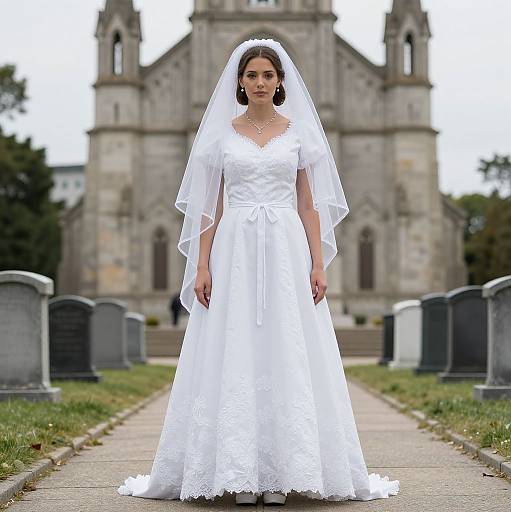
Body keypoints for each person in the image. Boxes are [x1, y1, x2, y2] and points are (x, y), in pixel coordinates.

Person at [117, 38, 399, 506]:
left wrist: (318, 261)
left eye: (268, 75)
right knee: (236, 348)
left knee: (287, 348)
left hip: (286, 247)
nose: (260, 83)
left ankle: (280, 475)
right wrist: (202, 265)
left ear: (280, 82)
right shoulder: (222, 135)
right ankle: (239, 474)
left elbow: (309, 206)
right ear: (240, 83)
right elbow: (212, 206)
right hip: (234, 249)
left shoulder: (298, 135)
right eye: (252, 76)